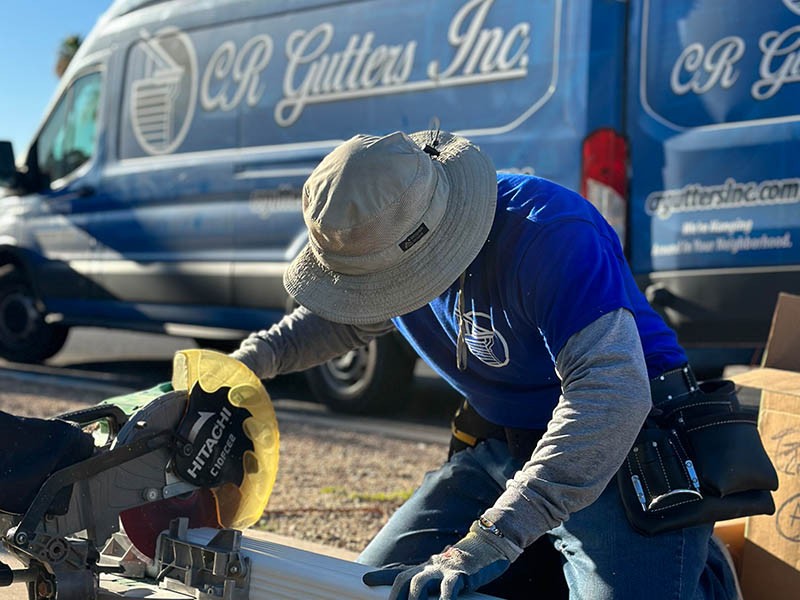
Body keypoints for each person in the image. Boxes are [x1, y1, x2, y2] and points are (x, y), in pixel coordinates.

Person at [229, 130, 740, 599]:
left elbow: (610, 396)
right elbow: (342, 319)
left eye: (378, 287)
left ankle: (698, 573)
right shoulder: (394, 227)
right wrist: (240, 369)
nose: (376, 300)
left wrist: (496, 537)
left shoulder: (549, 232)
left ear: (434, 246)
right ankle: (550, 555)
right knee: (374, 589)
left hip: (623, 443)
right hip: (508, 444)